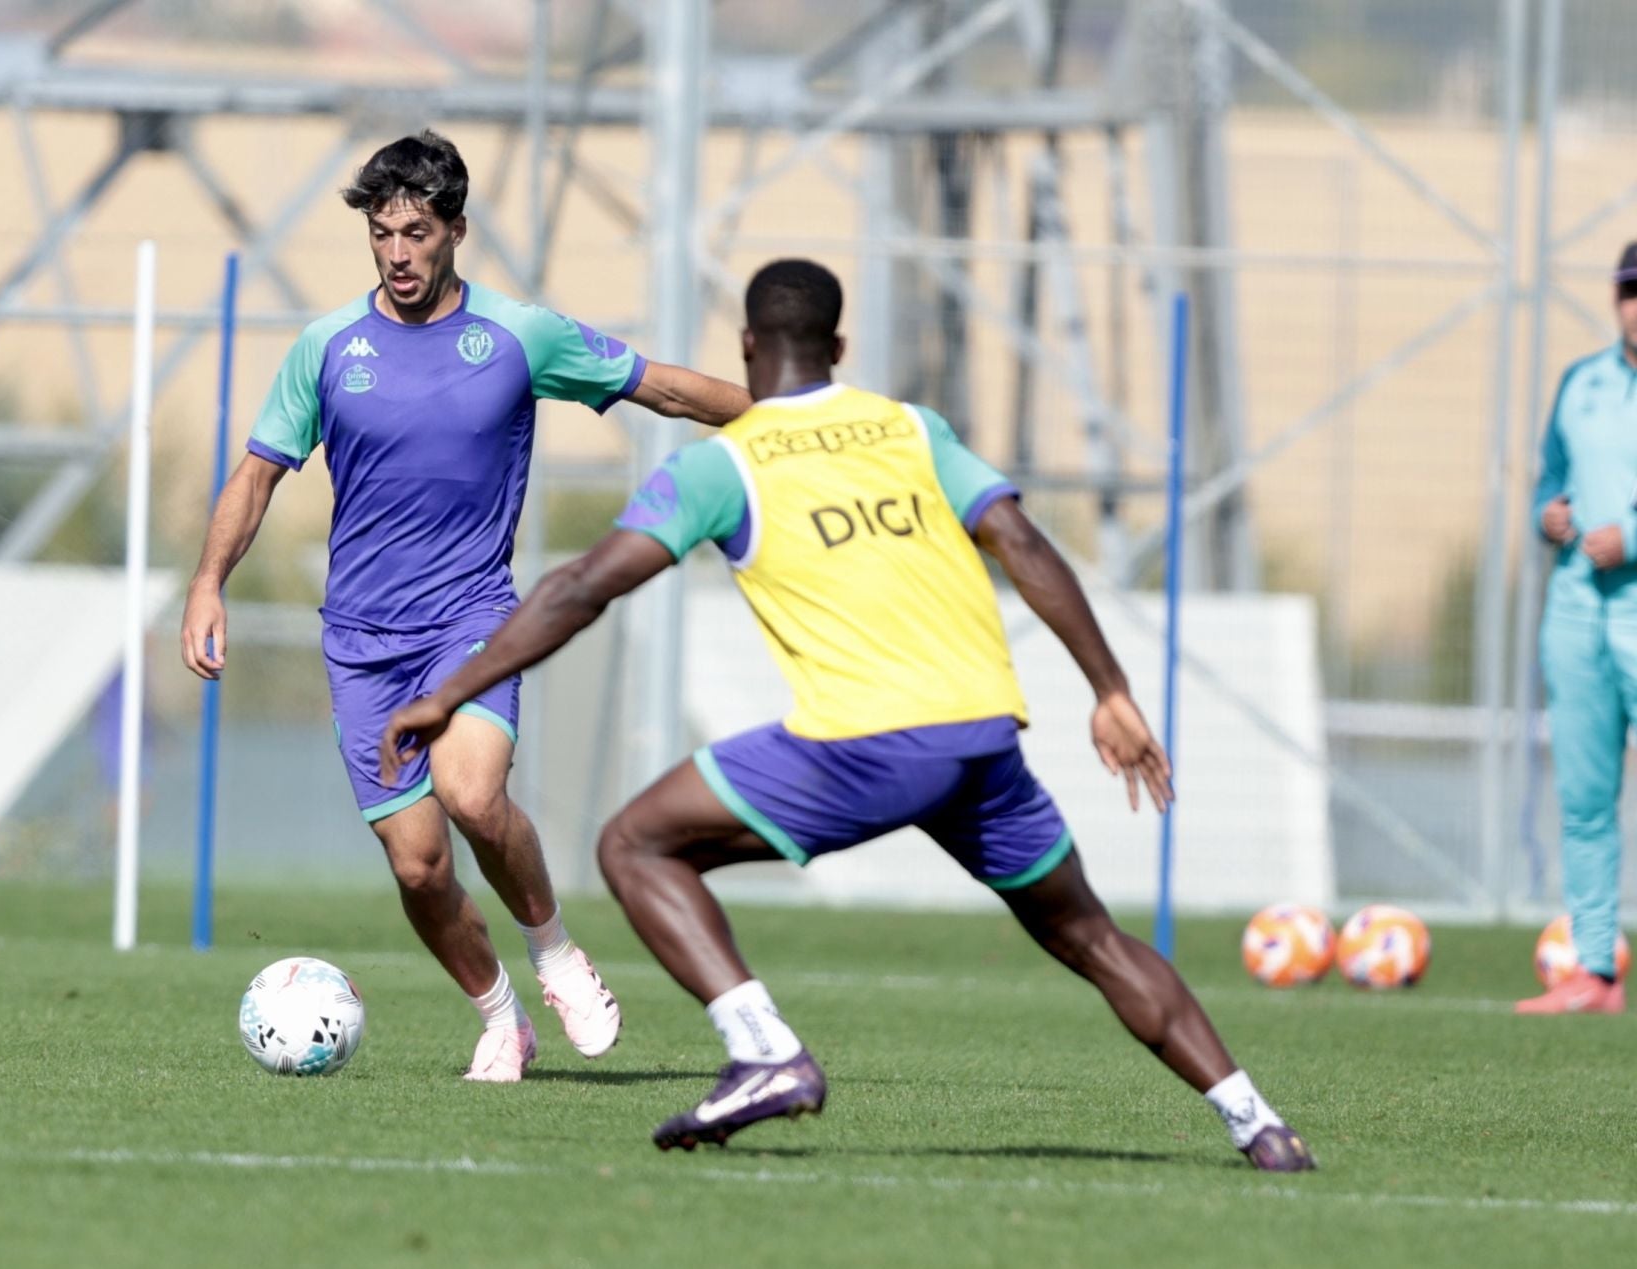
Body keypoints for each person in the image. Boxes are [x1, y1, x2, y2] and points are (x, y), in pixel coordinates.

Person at [379, 258, 1314, 1171]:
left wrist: (449, 692)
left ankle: (764, 1051)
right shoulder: (912, 428)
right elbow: (1023, 543)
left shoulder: (726, 464)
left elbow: (582, 587)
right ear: (838, 345)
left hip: (863, 745)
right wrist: (1110, 690)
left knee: (634, 843)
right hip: (982, 741)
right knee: (1092, 937)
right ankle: (1258, 1122)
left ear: (748, 347)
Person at [180, 131, 752, 1082]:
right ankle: (499, 1017)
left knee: (473, 794)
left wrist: (793, 417)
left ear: (454, 229)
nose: (397, 253)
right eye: (381, 232)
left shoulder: (518, 336)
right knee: (418, 866)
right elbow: (256, 476)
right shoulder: (328, 348)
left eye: (415, 231)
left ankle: (558, 953)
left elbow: (662, 387)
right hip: (361, 642)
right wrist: (207, 583)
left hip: (471, 618)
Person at [1517, 240, 1637, 1016]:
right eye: (1631, 291)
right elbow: (1549, 474)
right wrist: (1548, 513)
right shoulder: (1582, 381)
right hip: (1576, 609)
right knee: (1587, 798)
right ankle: (1594, 971)